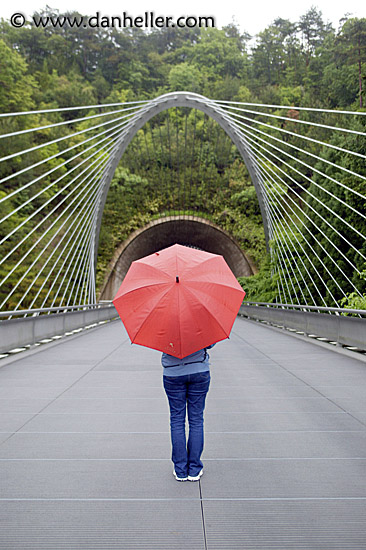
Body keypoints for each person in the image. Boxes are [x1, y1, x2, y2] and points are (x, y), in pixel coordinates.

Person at [162, 344, 215, 482]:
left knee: (177, 420)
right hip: (199, 370)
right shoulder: (200, 321)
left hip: (173, 373)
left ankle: (180, 469)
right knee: (196, 420)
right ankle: (194, 469)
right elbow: (210, 343)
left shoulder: (164, 323)